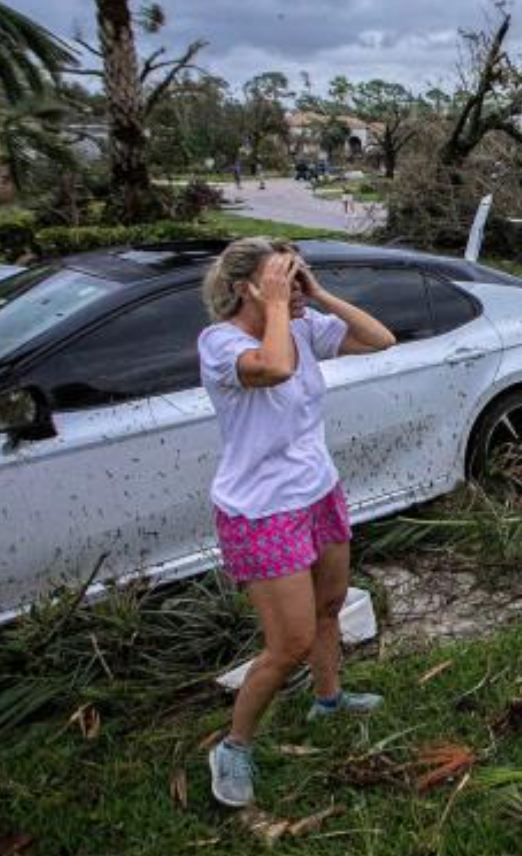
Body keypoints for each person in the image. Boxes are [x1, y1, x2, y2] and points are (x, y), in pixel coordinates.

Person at [198, 238, 396, 808]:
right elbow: (275, 367)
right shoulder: (220, 343)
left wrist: (317, 293)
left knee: (331, 607)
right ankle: (233, 747)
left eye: (295, 273)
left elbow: (380, 338)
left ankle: (329, 698)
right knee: (289, 643)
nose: (293, 282)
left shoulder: (304, 326)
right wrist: (282, 308)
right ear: (246, 289)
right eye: (281, 276)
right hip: (262, 511)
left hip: (317, 491)